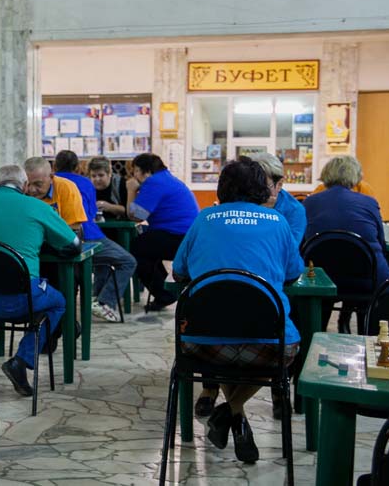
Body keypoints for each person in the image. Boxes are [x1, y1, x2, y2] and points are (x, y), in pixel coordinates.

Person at [172, 157, 303, 464]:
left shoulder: (204, 218)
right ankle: (233, 413)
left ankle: (230, 414)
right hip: (271, 346)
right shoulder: (279, 222)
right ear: (262, 188)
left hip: (200, 345)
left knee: (228, 338)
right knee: (260, 341)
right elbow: (292, 274)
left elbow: (179, 271)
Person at [0, 165, 80, 395]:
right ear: (25, 187)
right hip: (23, 299)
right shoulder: (37, 206)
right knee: (58, 302)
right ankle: (21, 360)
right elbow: (73, 246)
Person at [303, 155, 389, 332]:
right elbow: (381, 243)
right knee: (383, 274)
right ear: (356, 175)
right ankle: (370, 332)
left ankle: (314, 334)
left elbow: (302, 241)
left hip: (320, 279)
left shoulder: (310, 202)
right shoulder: (369, 202)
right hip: (366, 278)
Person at [54, 150, 137, 322]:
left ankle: (94, 298)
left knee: (102, 262)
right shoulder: (84, 183)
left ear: (54, 166)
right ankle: (104, 302)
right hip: (88, 236)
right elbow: (89, 214)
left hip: (56, 240)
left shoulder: (50, 183)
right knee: (127, 261)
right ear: (78, 168)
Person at [127, 153, 199, 312]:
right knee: (146, 243)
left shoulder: (153, 183)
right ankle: (164, 291)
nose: (134, 176)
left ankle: (164, 294)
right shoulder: (167, 178)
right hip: (187, 235)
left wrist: (131, 191)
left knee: (136, 249)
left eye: (135, 171)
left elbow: (136, 217)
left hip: (178, 237)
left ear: (142, 171)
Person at [249, 152, 307, 245]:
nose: (255, 191)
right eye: (252, 185)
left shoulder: (294, 210)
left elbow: (287, 250)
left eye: (263, 186)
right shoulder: (241, 199)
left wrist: (266, 213)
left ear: (279, 184)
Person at [87, 155, 128, 220]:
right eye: (93, 176)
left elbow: (129, 212)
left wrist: (110, 207)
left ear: (110, 174)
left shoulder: (121, 184)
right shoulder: (86, 186)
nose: (97, 179)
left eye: (101, 175)